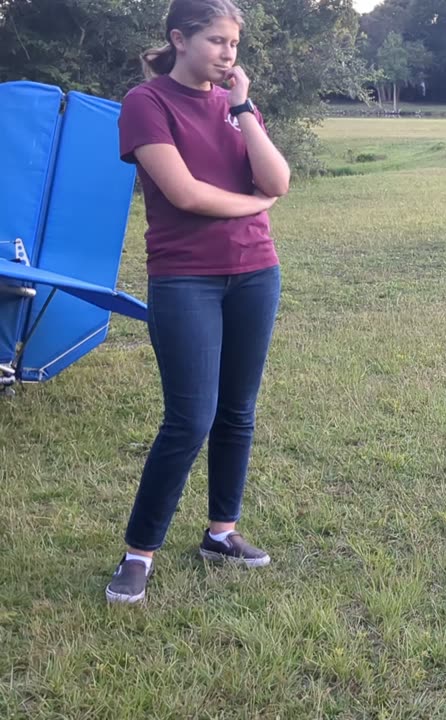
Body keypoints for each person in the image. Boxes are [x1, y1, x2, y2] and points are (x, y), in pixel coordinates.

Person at [108, 0, 290, 604]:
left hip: (256, 274)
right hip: (186, 278)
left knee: (238, 411)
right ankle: (139, 553)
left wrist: (242, 107)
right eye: (216, 40)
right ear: (179, 40)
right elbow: (184, 193)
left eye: (234, 43)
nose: (228, 53)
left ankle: (222, 533)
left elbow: (279, 180)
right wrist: (256, 204)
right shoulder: (147, 103)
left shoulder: (236, 107)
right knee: (189, 419)